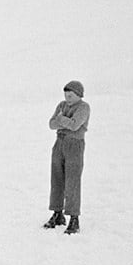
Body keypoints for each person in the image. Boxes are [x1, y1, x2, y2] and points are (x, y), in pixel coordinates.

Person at [44, 81, 90, 235]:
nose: (67, 98)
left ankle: (74, 218)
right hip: (59, 143)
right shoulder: (61, 105)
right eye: (66, 95)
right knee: (56, 179)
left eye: (71, 95)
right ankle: (57, 213)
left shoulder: (83, 107)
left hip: (74, 145)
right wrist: (63, 122)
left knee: (72, 181)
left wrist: (61, 120)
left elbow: (75, 125)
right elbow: (51, 124)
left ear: (79, 95)